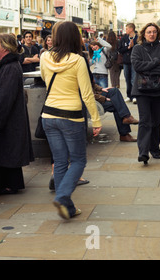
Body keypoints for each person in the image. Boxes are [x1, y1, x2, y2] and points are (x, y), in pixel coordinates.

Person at [40, 21, 102, 220]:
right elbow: (86, 93)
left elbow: (44, 80)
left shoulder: (44, 56)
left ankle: (67, 205)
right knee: (78, 160)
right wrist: (96, 119)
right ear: (75, 37)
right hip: (71, 117)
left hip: (49, 115)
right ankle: (63, 195)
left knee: (59, 161)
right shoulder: (77, 60)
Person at [0, 34, 34, 195]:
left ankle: (8, 185)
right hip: (7, 117)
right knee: (4, 151)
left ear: (5, 48)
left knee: (7, 151)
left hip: (9, 118)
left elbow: (5, 97)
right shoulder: (2, 64)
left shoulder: (10, 67)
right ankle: (6, 183)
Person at [131, 23, 160, 165]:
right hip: (142, 90)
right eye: (148, 32)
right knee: (145, 121)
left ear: (158, 33)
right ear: (143, 34)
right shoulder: (137, 49)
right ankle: (143, 152)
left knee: (156, 121)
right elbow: (137, 66)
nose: (151, 34)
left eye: (154, 32)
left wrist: (149, 67)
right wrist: (155, 63)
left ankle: (155, 148)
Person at [119, 23, 138, 103]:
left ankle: (134, 96)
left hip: (134, 61)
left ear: (131, 29)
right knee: (127, 79)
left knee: (134, 79)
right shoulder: (124, 38)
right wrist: (128, 47)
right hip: (126, 61)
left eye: (127, 28)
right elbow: (120, 50)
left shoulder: (137, 38)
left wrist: (134, 46)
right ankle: (128, 95)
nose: (125, 30)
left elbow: (141, 48)